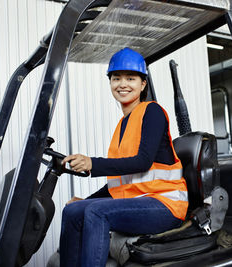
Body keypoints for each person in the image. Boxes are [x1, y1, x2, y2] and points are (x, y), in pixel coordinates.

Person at [59, 47, 188, 267]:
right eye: (116, 78)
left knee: (97, 213)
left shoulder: (152, 112)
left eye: (131, 78)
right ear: (110, 83)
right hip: (139, 201)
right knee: (72, 210)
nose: (123, 84)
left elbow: (143, 162)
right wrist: (87, 199)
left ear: (143, 84)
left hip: (165, 204)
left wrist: (92, 163)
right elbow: (122, 182)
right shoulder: (122, 125)